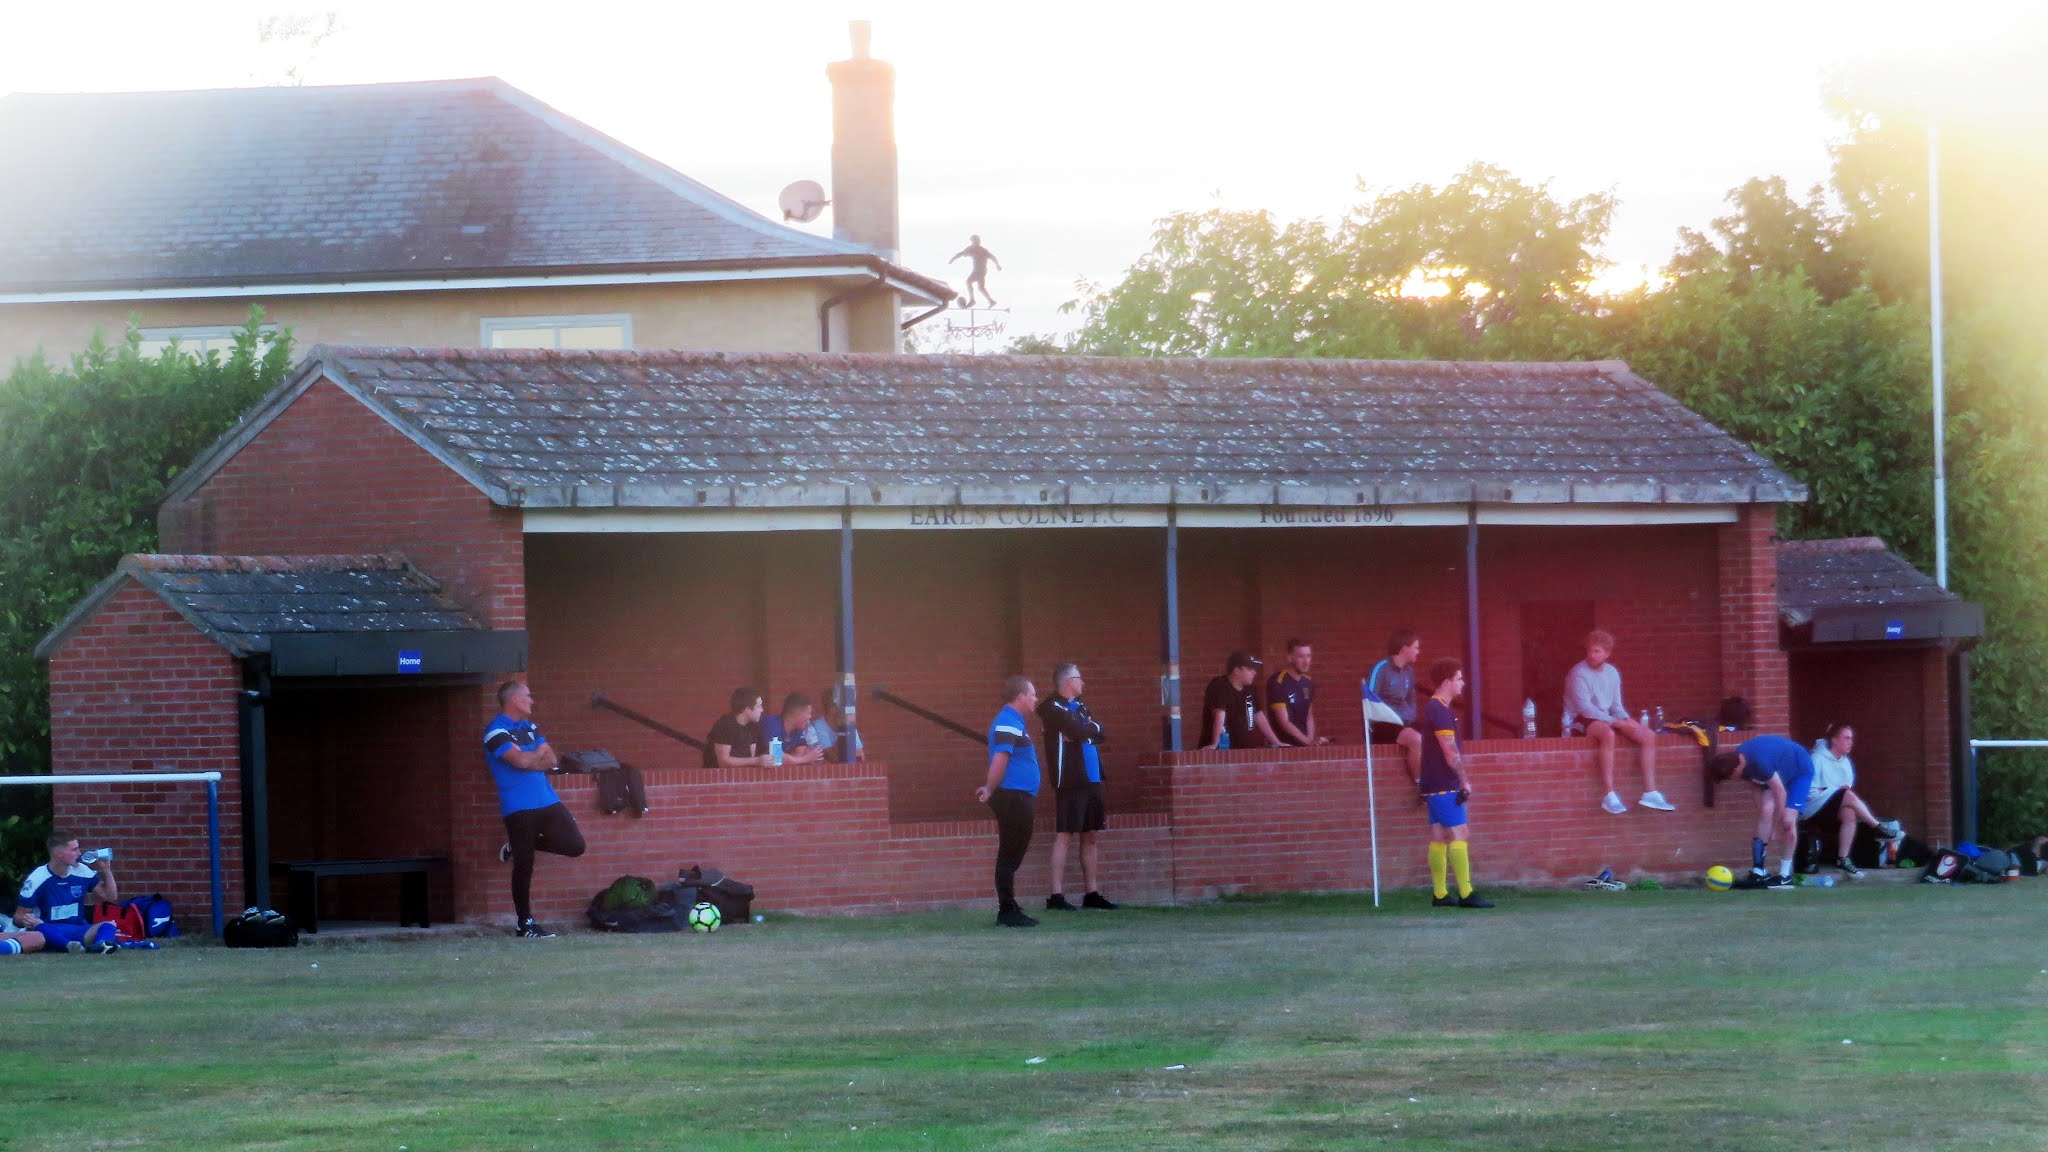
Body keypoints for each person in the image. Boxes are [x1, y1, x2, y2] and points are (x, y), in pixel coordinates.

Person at [487, 681, 587, 937]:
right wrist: (535, 754)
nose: (532, 701)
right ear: (514, 700)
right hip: (518, 807)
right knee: (524, 864)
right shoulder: (495, 732)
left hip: (548, 801)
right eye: (528, 696)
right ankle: (525, 923)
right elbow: (519, 761)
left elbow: (552, 760)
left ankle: (518, 844)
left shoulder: (531, 728)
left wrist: (533, 756)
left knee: (575, 845)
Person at [1037, 663, 1118, 912]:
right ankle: (1056, 896)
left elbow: (1099, 732)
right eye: (1080, 678)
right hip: (1071, 779)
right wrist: (1085, 730)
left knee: (1091, 834)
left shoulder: (1081, 707)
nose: (1083, 683)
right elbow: (1075, 728)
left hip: (1092, 777)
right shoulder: (1051, 707)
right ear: (1068, 681)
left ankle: (1091, 893)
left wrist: (1086, 731)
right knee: (1066, 834)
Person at [1564, 630, 1673, 815]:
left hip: (1606, 717)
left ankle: (1650, 792)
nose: (1592, 655)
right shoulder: (1578, 673)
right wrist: (1618, 723)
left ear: (1607, 653)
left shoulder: (1612, 672)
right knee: (1608, 733)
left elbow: (1615, 705)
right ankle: (1609, 794)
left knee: (1647, 735)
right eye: (1590, 651)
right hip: (1579, 719)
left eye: (1597, 651)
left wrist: (1627, 719)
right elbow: (1586, 709)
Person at [1416, 659, 1493, 909]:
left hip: (1433, 784)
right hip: (1444, 784)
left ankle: (1440, 894)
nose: (1463, 683)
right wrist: (1464, 781)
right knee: (1460, 834)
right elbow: (1450, 753)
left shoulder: (1435, 709)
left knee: (1438, 835)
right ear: (1447, 681)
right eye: (1459, 678)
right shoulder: (1440, 711)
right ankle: (1466, 893)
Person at [976, 675, 1041, 928]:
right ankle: (1007, 911)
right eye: (1033, 694)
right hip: (1013, 797)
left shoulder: (1014, 721)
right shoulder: (1007, 722)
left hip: (1018, 796)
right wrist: (990, 789)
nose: (1036, 699)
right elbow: (1000, 759)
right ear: (1020, 697)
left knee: (1012, 853)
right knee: (1010, 854)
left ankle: (1010, 906)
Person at [1709, 733, 1813, 890]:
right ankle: (1759, 870)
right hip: (1779, 770)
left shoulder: (1759, 763)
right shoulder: (1741, 762)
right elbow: (1756, 790)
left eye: (1732, 777)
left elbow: (1781, 794)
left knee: (1787, 822)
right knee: (1765, 811)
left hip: (1800, 770)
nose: (1733, 780)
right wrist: (1764, 819)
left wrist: (1775, 828)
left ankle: (1785, 877)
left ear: (1737, 768)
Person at [1804, 723, 1905, 878]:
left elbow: (1846, 788)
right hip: (1812, 808)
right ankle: (1878, 828)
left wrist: (1836, 791)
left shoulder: (1845, 762)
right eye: (1846, 738)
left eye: (1851, 739)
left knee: (1849, 812)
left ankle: (1843, 859)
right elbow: (1810, 792)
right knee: (1848, 796)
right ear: (1834, 740)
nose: (1850, 742)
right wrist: (1834, 790)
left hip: (1832, 808)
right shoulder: (1817, 758)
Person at [14, 829, 121, 953]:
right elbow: (18, 917)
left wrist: (106, 870)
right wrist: (26, 920)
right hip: (49, 931)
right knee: (39, 925)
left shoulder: (82, 871)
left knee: (109, 925)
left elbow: (110, 897)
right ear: (59, 853)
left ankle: (101, 946)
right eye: (74, 849)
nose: (80, 853)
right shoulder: (37, 878)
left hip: (77, 929)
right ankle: (69, 946)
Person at [1366, 630, 1427, 784]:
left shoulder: (1409, 672)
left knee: (1435, 731)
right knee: (1416, 739)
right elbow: (1370, 699)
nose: (1418, 652)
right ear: (1404, 648)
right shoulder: (1381, 668)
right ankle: (1421, 786)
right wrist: (1392, 717)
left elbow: (1411, 699)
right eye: (1416, 647)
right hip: (1383, 723)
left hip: (1404, 722)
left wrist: (1410, 717)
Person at [1200, 651, 1282, 750]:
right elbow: (1219, 714)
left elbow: (1259, 717)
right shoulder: (1219, 686)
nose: (1254, 672)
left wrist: (1277, 742)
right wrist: (1214, 743)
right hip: (1222, 750)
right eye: (1249, 669)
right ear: (1236, 670)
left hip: (1244, 748)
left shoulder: (1250, 689)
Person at [1266, 638, 1328, 747]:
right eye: (1301, 657)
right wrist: (1308, 742)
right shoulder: (1278, 681)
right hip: (1283, 748)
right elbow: (1284, 722)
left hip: (1303, 746)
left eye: (1308, 656)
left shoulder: (1309, 683)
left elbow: (1309, 716)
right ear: (1290, 658)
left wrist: (1310, 741)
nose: (1306, 661)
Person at [705, 686, 769, 769]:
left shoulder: (753, 725)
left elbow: (751, 758)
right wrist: (757, 761)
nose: (762, 710)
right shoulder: (725, 725)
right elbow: (723, 762)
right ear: (747, 709)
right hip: (717, 778)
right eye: (759, 706)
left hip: (742, 776)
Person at [759, 692, 826, 765]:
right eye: (808, 713)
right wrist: (807, 758)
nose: (810, 717)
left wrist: (799, 758)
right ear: (796, 713)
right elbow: (776, 756)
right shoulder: (771, 723)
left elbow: (800, 753)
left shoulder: (799, 729)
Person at [807, 683, 865, 763]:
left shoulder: (849, 725)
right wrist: (843, 732)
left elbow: (860, 757)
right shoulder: (819, 727)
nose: (847, 709)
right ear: (832, 708)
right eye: (844, 705)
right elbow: (832, 759)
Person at [949, 234, 1002, 308]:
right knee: (981, 288)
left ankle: (972, 300)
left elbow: (992, 257)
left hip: (979, 270)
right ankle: (990, 301)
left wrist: (997, 265)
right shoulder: (971, 248)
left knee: (969, 282)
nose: (976, 242)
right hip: (980, 270)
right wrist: (953, 259)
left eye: (977, 241)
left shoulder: (983, 250)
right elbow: (961, 254)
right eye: (974, 241)